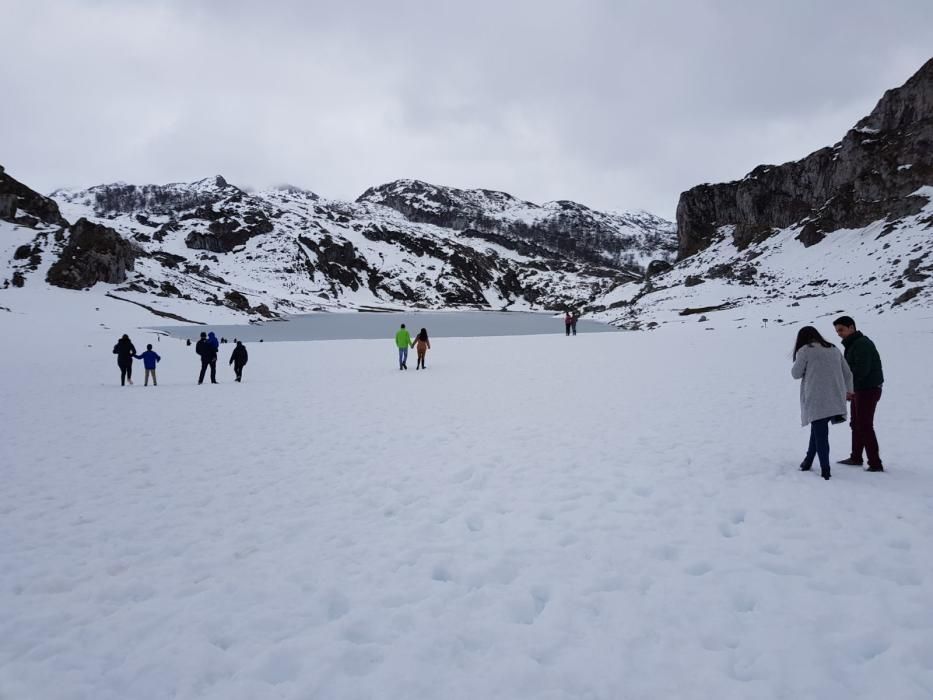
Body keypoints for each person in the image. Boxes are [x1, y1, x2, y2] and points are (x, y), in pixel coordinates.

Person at [791, 326, 853, 480]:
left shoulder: (805, 350)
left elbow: (795, 374)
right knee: (818, 430)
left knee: (821, 434)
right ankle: (807, 461)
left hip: (816, 398)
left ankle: (826, 470)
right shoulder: (833, 348)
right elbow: (848, 373)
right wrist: (849, 391)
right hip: (835, 396)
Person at [833, 316, 885, 471]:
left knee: (864, 425)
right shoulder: (853, 344)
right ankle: (856, 457)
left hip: (868, 389)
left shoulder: (862, 344)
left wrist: (848, 387)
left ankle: (875, 463)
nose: (839, 333)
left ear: (851, 327)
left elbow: (861, 371)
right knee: (856, 424)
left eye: (841, 330)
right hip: (860, 389)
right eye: (837, 331)